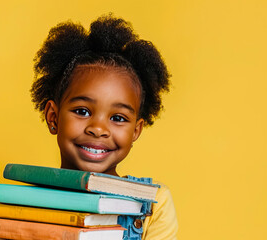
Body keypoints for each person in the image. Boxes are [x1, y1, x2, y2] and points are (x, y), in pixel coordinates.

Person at [30, 14, 178, 239]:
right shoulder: (21, 205)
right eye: (82, 111)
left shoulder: (153, 204)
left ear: (136, 130)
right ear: (53, 117)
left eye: (118, 118)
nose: (98, 129)